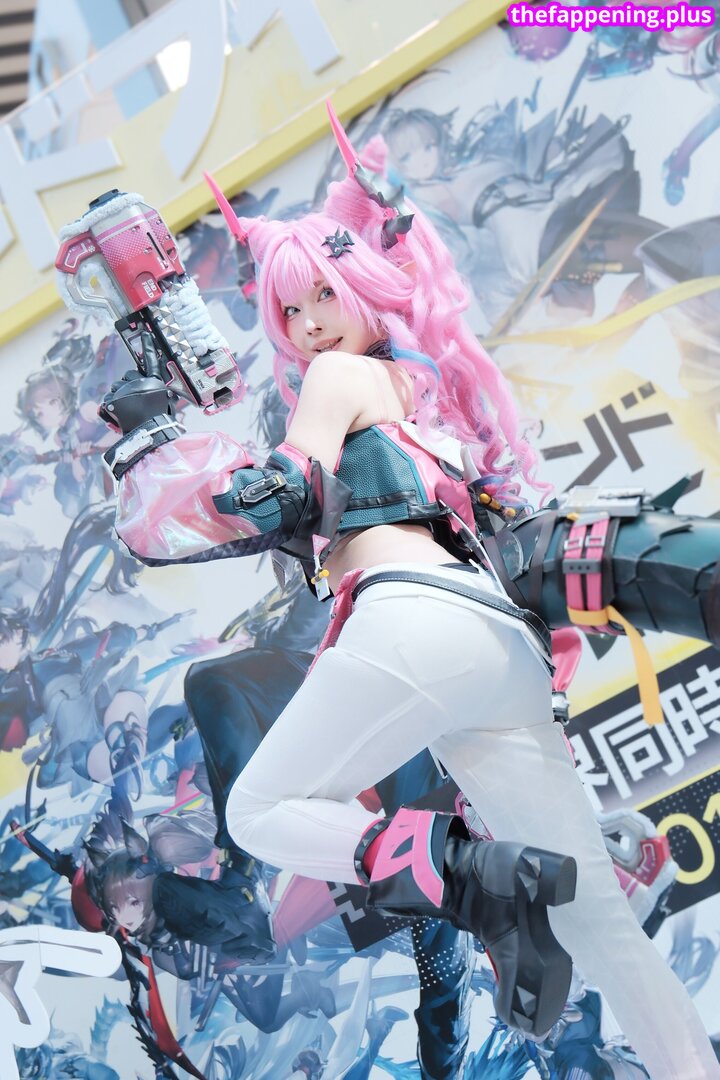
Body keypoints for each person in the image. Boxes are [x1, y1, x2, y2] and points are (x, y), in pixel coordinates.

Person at [88, 117, 718, 1074]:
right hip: (494, 651)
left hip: (410, 623)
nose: (307, 325)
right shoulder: (423, 390)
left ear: (360, 288)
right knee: (599, 921)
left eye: (321, 297)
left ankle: (475, 882)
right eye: (289, 311)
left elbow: (286, 485)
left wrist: (158, 449)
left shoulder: (338, 377)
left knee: (260, 808)